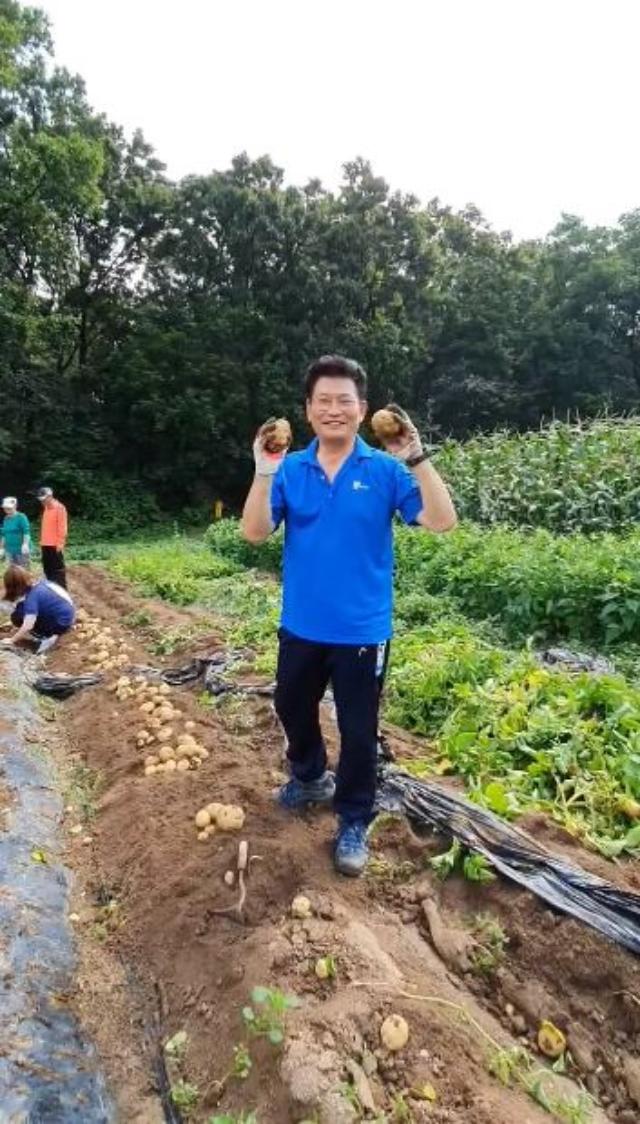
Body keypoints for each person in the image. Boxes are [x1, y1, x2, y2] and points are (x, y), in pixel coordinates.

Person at [241, 355, 457, 876]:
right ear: (309, 410)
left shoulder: (384, 470)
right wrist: (263, 470)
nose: (334, 410)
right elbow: (253, 532)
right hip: (301, 626)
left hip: (363, 630)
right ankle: (311, 775)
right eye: (324, 401)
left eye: (345, 401)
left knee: (359, 730)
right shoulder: (290, 468)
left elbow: (442, 522)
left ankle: (353, 816)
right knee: (292, 704)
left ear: (361, 410)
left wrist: (417, 457)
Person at [2, 564, 75, 655]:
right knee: (22, 610)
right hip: (68, 615)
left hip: (60, 624)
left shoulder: (32, 598)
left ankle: (47, 636)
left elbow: (28, 624)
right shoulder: (41, 584)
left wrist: (12, 640)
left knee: (18, 616)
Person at [36, 486, 68, 589]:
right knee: (47, 570)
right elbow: (45, 527)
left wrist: (60, 544)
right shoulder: (45, 509)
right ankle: (51, 592)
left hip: (55, 545)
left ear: (50, 496)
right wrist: (41, 542)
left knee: (58, 572)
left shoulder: (60, 508)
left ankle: (62, 592)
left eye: (44, 499)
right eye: (41, 500)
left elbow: (62, 528)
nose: (43, 502)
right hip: (45, 544)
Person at [0, 497, 31, 566]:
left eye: (9, 508)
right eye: (5, 508)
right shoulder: (6, 518)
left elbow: (26, 532)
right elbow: (4, 534)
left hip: (21, 550)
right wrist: (1, 548)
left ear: (15, 506)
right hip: (9, 550)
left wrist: (25, 544)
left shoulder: (21, 517)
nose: (7, 510)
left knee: (23, 572)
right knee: (11, 572)